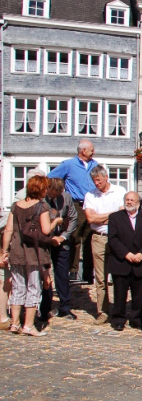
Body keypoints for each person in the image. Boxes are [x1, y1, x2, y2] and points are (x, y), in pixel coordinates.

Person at [1, 175, 63, 336]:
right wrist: (55, 222)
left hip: (16, 250)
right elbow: (45, 230)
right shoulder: (42, 206)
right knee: (33, 287)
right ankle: (28, 325)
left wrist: (4, 250)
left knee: (18, 287)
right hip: (34, 252)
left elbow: (8, 230)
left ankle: (14, 323)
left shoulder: (15, 206)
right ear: (42, 189)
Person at [48, 139, 97, 283]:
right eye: (91, 149)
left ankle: (89, 273)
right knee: (74, 237)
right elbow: (50, 178)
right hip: (76, 203)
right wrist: (61, 194)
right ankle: (73, 271)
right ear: (83, 150)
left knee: (89, 238)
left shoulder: (95, 164)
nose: (93, 152)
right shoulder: (68, 165)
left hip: (92, 204)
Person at [84, 166, 127, 324]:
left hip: (117, 237)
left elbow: (122, 215)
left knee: (118, 276)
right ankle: (103, 311)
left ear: (106, 177)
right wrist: (111, 215)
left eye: (99, 180)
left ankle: (118, 310)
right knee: (100, 278)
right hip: (99, 237)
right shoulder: (90, 195)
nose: (97, 183)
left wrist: (100, 216)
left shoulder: (119, 191)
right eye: (94, 180)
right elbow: (90, 219)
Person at [108, 192, 142, 331]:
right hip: (121, 262)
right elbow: (113, 239)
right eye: (127, 200)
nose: (129, 202)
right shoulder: (115, 217)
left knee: (139, 294)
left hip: (140, 262)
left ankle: (137, 319)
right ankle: (118, 319)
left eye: (132, 200)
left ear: (138, 203)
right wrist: (126, 254)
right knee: (120, 294)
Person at [39, 178, 78, 321]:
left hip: (62, 241)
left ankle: (65, 307)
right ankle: (44, 308)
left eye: (58, 194)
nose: (55, 197)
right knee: (44, 275)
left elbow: (74, 218)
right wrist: (49, 238)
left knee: (62, 275)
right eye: (53, 194)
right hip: (45, 241)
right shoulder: (41, 200)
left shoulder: (66, 197)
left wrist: (63, 237)